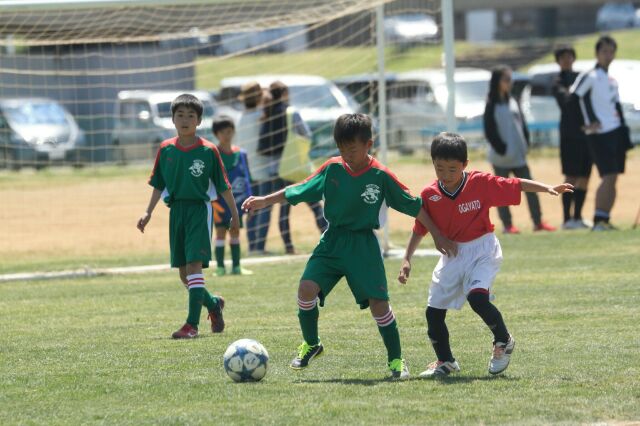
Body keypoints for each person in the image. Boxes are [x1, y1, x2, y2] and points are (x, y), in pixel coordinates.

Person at [242, 113, 453, 379]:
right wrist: (264, 200)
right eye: (341, 149)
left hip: (363, 245)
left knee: (379, 306)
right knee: (306, 289)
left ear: (369, 145)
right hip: (332, 241)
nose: (347, 154)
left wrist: (437, 234)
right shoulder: (332, 168)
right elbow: (301, 188)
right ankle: (311, 343)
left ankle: (397, 361)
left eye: (352, 149)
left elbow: (415, 206)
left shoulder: (381, 175)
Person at [398, 132, 573, 377]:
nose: (446, 176)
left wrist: (548, 188)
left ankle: (503, 340)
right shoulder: (430, 194)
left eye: (452, 169)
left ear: (465, 165)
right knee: (433, 312)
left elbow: (517, 184)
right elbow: (419, 228)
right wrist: (407, 259)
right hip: (453, 254)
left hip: (483, 249)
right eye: (439, 169)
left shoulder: (480, 183)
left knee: (478, 298)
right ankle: (446, 361)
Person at [136, 94, 239, 339]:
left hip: (199, 210)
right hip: (177, 212)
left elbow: (224, 186)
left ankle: (191, 325)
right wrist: (147, 211)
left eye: (190, 115)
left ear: (199, 120)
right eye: (180, 115)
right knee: (184, 274)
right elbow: (158, 184)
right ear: (172, 119)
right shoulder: (166, 149)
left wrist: (234, 215)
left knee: (194, 266)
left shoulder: (208, 151)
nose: (185, 120)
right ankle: (213, 304)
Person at [483, 65, 557, 234]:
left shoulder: (512, 99)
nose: (509, 83)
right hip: (501, 158)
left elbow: (521, 124)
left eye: (510, 79)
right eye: (506, 79)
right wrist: (502, 149)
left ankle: (538, 222)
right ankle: (508, 225)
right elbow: (490, 130)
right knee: (501, 193)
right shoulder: (491, 103)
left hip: (518, 156)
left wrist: (525, 143)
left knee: (531, 188)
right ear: (497, 82)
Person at [256, 80, 327, 254]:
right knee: (314, 203)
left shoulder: (267, 113)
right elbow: (306, 135)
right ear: (285, 93)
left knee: (284, 208)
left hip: (276, 170)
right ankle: (327, 235)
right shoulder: (291, 112)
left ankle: (288, 246)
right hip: (294, 167)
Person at [571, 35, 634, 231]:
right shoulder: (590, 75)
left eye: (611, 51)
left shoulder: (612, 79)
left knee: (614, 176)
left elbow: (615, 105)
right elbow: (574, 98)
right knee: (607, 175)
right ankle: (598, 220)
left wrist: (624, 131)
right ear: (597, 53)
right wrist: (588, 123)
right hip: (599, 134)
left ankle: (604, 218)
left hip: (615, 132)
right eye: (604, 51)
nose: (608, 55)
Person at [552, 45, 592, 229]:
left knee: (584, 176)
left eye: (569, 56)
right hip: (569, 135)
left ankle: (578, 217)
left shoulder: (580, 77)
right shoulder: (557, 82)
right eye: (563, 57)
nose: (567, 59)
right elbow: (567, 101)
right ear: (558, 60)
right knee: (571, 176)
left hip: (586, 134)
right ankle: (567, 219)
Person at [211, 115, 253, 276]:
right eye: (223, 132)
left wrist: (250, 200)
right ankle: (220, 267)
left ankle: (236, 266)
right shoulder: (213, 153)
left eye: (229, 131)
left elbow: (247, 178)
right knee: (220, 232)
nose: (227, 135)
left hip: (238, 201)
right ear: (216, 134)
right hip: (219, 201)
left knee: (235, 231)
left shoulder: (241, 154)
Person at [233, 81, 269, 252]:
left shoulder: (239, 118)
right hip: (263, 167)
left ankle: (252, 246)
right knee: (263, 207)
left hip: (247, 169)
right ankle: (260, 246)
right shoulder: (261, 116)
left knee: (250, 207)